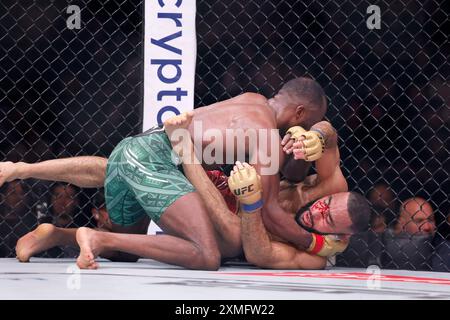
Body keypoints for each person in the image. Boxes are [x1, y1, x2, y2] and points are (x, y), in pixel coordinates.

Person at [3, 77, 348, 269]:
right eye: (301, 124)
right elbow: (269, 213)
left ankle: (55, 229)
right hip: (155, 161)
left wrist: (308, 141)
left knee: (127, 253)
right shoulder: (266, 138)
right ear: (299, 111)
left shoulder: (252, 99)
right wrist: (317, 243)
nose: (295, 133)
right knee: (207, 253)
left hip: (134, 150)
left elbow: (296, 161)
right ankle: (95, 236)